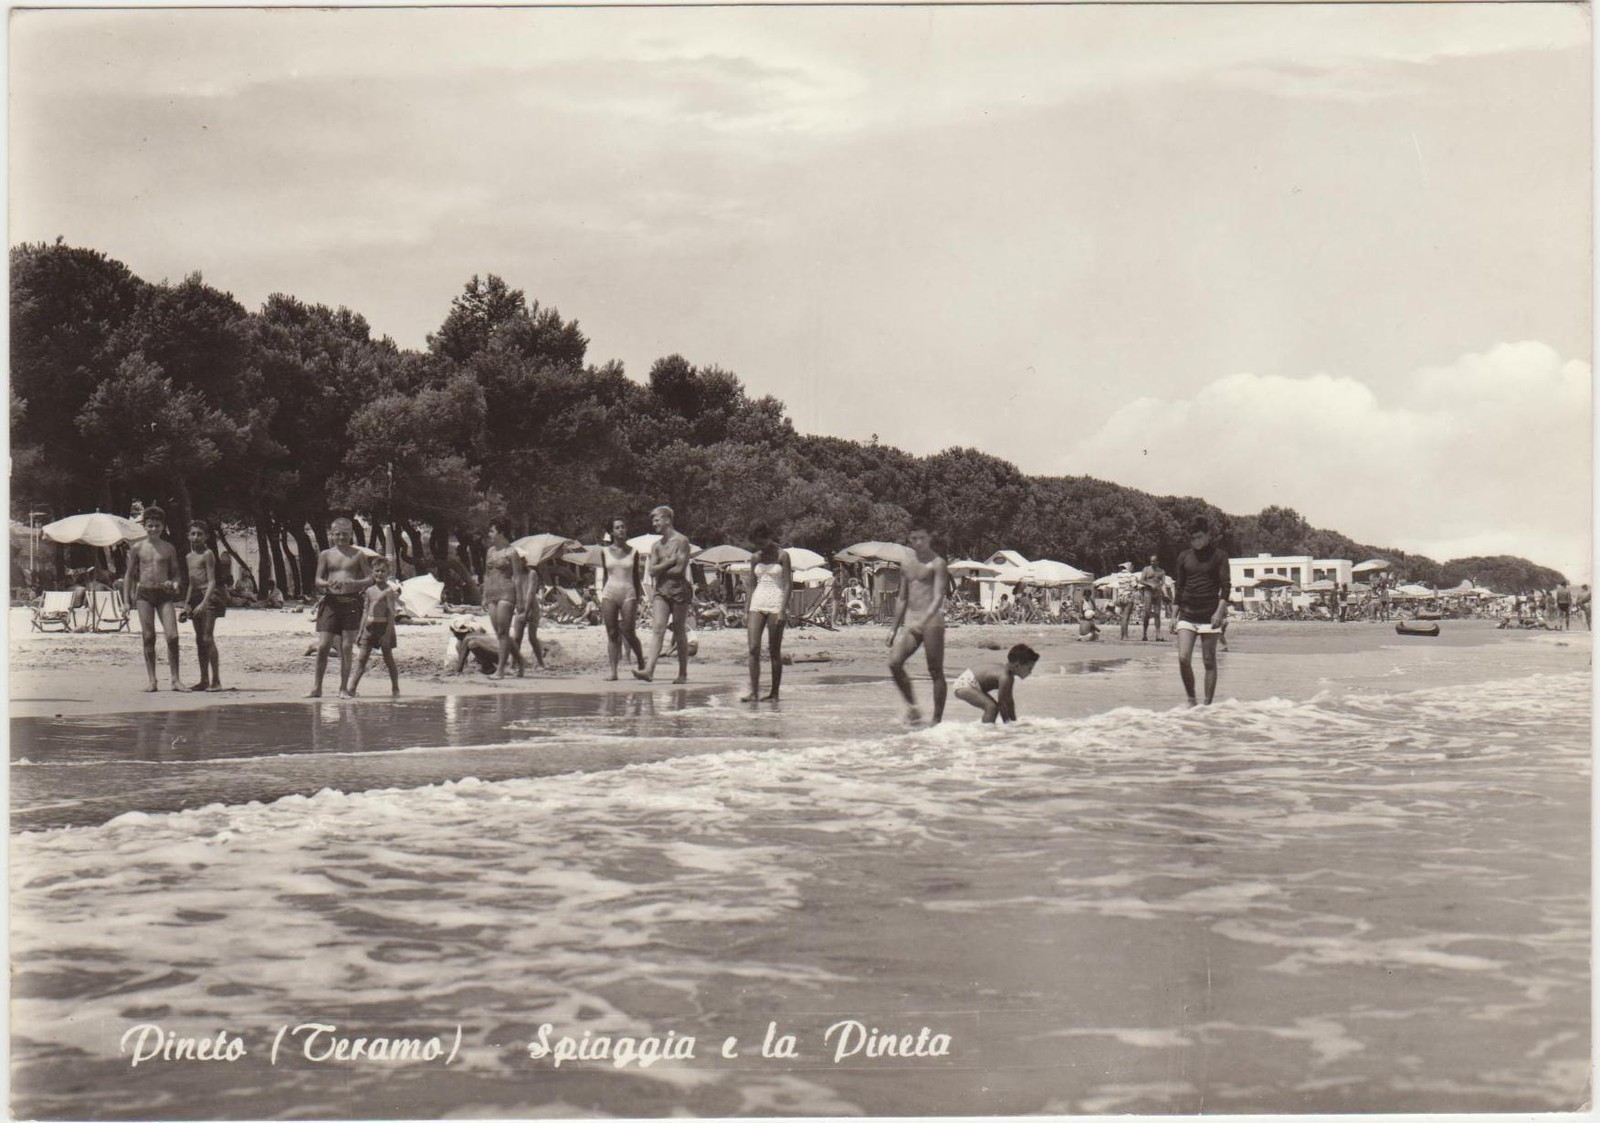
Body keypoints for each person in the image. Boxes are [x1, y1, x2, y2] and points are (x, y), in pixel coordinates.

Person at [888, 523, 950, 723]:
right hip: (912, 621)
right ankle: (914, 707)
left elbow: (938, 596)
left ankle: (936, 721)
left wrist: (923, 621)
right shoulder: (906, 564)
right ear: (909, 539)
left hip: (932, 621)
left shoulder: (938, 563)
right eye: (914, 539)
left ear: (930, 537)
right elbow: (902, 598)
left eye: (922, 538)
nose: (918, 542)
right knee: (894, 663)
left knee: (935, 670)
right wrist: (893, 628)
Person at [123, 506, 185, 692]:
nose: (153, 529)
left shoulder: (168, 548)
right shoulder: (138, 547)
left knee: (173, 636)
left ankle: (175, 680)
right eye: (150, 525)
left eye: (157, 525)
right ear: (144, 526)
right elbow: (129, 575)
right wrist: (126, 601)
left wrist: (175, 584)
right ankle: (152, 680)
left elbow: (176, 574)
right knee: (148, 636)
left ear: (163, 526)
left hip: (164, 594)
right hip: (144, 595)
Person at [310, 517, 374, 698]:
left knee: (346, 647)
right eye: (337, 534)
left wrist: (354, 583)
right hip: (330, 602)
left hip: (351, 602)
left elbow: (370, 578)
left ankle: (343, 688)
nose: (341, 537)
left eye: (345, 534)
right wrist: (328, 583)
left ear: (351, 534)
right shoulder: (325, 554)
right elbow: (317, 580)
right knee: (323, 646)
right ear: (331, 535)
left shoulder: (358, 555)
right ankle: (317, 688)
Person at [1171, 516, 1230, 706]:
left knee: (1209, 660)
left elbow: (1226, 587)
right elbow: (1179, 588)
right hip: (1187, 614)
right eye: (1192, 538)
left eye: (1199, 537)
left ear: (1207, 535)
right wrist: (1173, 615)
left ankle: (1207, 705)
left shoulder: (1219, 556)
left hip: (1210, 615)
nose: (1196, 541)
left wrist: (1219, 612)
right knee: (1183, 658)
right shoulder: (1184, 557)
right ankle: (1191, 699)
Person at [634, 506, 693, 684]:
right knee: (658, 628)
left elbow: (679, 570)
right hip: (661, 590)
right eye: (653, 520)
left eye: (657, 520)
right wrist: (669, 561)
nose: (654, 524)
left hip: (679, 589)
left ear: (667, 519)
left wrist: (661, 567)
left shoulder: (682, 541)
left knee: (679, 630)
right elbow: (651, 571)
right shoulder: (656, 546)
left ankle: (682, 673)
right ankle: (649, 670)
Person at [741, 523, 792, 703]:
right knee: (753, 648)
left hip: (776, 602)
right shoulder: (755, 557)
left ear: (768, 537)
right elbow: (751, 584)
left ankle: (774, 693)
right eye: (756, 543)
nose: (759, 546)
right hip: (757, 602)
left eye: (761, 542)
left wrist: (783, 609)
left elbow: (788, 584)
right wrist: (746, 610)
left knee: (774, 650)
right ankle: (754, 692)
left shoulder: (782, 555)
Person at [597, 517, 646, 680]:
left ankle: (640, 660)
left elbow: (636, 577)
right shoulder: (604, 552)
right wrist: (602, 593)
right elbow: (605, 574)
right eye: (617, 527)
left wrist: (638, 597)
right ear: (611, 532)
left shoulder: (633, 552)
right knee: (611, 633)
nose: (621, 530)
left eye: (623, 527)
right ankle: (613, 672)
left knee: (628, 631)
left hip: (628, 592)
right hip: (610, 592)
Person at [182, 521, 225, 691]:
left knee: (207, 638)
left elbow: (212, 581)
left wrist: (204, 603)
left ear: (206, 536)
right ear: (188, 536)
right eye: (193, 533)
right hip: (195, 597)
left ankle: (216, 680)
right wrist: (186, 604)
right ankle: (204, 680)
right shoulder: (188, 557)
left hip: (208, 597)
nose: (196, 537)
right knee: (199, 640)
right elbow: (191, 583)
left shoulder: (208, 554)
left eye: (200, 534)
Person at [349, 557, 401, 697]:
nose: (379, 574)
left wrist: (387, 634)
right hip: (368, 629)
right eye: (377, 571)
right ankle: (352, 688)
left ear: (389, 573)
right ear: (372, 572)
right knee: (361, 659)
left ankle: (395, 688)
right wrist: (360, 632)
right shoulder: (369, 590)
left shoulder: (389, 591)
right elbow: (365, 612)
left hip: (384, 628)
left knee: (388, 659)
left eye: (383, 571)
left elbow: (391, 614)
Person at [481, 519, 525, 679]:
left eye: (492, 531)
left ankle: (500, 670)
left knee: (502, 632)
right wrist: (484, 595)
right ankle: (520, 661)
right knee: (500, 632)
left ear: (501, 533)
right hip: (492, 593)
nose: (489, 534)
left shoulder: (512, 553)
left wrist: (520, 600)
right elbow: (486, 574)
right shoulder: (490, 551)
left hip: (507, 593)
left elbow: (518, 577)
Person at [952, 643, 1039, 724]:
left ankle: (987, 729)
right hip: (965, 684)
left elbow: (1009, 701)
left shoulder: (1009, 677)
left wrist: (1014, 721)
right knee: (991, 707)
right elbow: (1002, 703)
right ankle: (986, 731)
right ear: (1017, 665)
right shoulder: (1005, 677)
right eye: (1029, 668)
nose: (1030, 672)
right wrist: (1008, 725)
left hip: (972, 683)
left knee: (993, 707)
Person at [510, 556, 547, 673]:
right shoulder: (514, 576)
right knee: (517, 638)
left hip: (532, 608)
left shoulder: (532, 573)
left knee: (532, 637)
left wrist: (526, 611)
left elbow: (530, 593)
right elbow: (513, 593)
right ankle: (513, 664)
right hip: (519, 608)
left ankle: (541, 663)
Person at [1139, 554, 1166, 641]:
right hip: (1148, 592)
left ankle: (1158, 634)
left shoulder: (1161, 571)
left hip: (1157, 592)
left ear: (1157, 561)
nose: (1152, 563)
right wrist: (1150, 584)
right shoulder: (1146, 569)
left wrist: (1165, 593)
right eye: (1151, 561)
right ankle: (1144, 634)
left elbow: (1163, 583)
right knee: (1147, 613)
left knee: (1157, 613)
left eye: (1154, 561)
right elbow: (1141, 580)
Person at [1114, 562, 1138, 639]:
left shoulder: (1119, 575)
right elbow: (1135, 586)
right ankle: (1125, 635)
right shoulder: (1131, 576)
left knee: (1123, 617)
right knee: (1126, 617)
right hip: (1128, 597)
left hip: (1120, 597)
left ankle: (1122, 635)